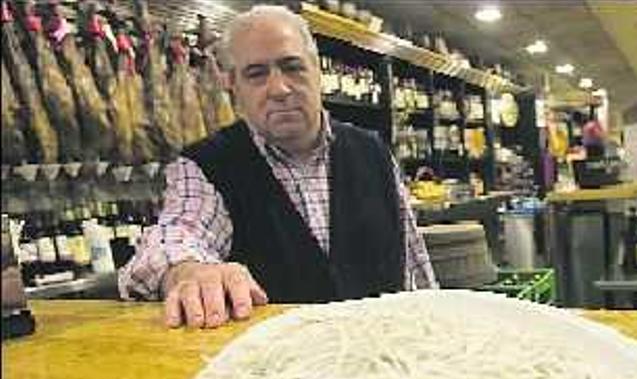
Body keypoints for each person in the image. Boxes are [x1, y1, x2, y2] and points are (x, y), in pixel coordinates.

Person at [118, 5, 437, 329]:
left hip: (386, 364)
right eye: (256, 74)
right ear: (233, 86)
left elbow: (415, 267)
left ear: (316, 71)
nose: (279, 89)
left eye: (292, 67)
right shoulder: (207, 165)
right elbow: (177, 232)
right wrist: (189, 272)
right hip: (277, 374)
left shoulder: (374, 151)